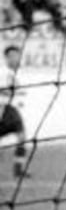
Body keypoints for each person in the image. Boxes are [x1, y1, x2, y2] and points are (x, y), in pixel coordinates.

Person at [1, 45, 28, 177]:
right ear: (6, 58)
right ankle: (18, 170)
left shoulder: (15, 74)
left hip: (11, 109)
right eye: (12, 56)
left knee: (22, 136)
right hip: (4, 108)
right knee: (21, 136)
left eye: (17, 55)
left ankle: (18, 170)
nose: (16, 58)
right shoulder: (3, 72)